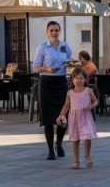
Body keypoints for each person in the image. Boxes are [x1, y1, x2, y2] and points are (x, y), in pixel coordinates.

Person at [33, 21, 72, 160]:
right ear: (47, 32)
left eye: (56, 30)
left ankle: (59, 144)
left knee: (62, 117)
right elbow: (35, 67)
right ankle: (50, 150)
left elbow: (69, 61)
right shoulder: (42, 47)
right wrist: (47, 69)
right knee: (48, 119)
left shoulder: (64, 46)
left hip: (61, 82)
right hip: (46, 84)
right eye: (52, 30)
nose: (54, 33)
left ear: (59, 31)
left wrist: (70, 65)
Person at [56, 68, 98, 169]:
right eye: (76, 78)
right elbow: (66, 106)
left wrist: (90, 107)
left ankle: (87, 155)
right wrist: (60, 116)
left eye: (81, 78)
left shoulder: (88, 91)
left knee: (87, 137)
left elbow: (96, 101)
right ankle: (76, 160)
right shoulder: (70, 93)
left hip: (86, 117)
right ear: (72, 79)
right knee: (75, 140)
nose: (79, 80)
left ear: (85, 80)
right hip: (74, 119)